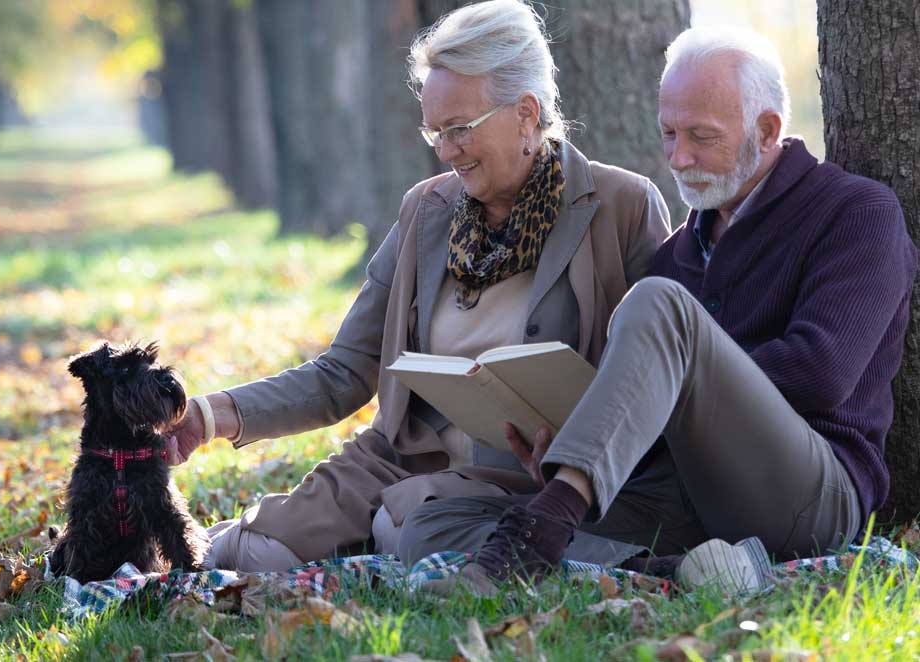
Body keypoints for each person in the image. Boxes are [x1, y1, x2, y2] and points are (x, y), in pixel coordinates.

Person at [396, 25, 918, 592]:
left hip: (807, 496)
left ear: (767, 131)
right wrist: (575, 438)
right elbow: (652, 401)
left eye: (701, 136)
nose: (678, 156)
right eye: (668, 133)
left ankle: (546, 528)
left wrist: (680, 379)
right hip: (685, 499)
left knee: (658, 306)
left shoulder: (856, 212)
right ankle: (669, 573)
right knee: (436, 525)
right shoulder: (679, 252)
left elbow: (821, 375)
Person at [166, 0, 671, 572]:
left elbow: (655, 374)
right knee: (251, 551)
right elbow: (343, 371)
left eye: (460, 129)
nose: (444, 149)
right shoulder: (426, 210)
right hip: (398, 464)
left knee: (406, 530)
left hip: (525, 480)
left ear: (527, 112)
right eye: (435, 130)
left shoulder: (622, 206)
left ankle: (609, 560)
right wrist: (209, 416)